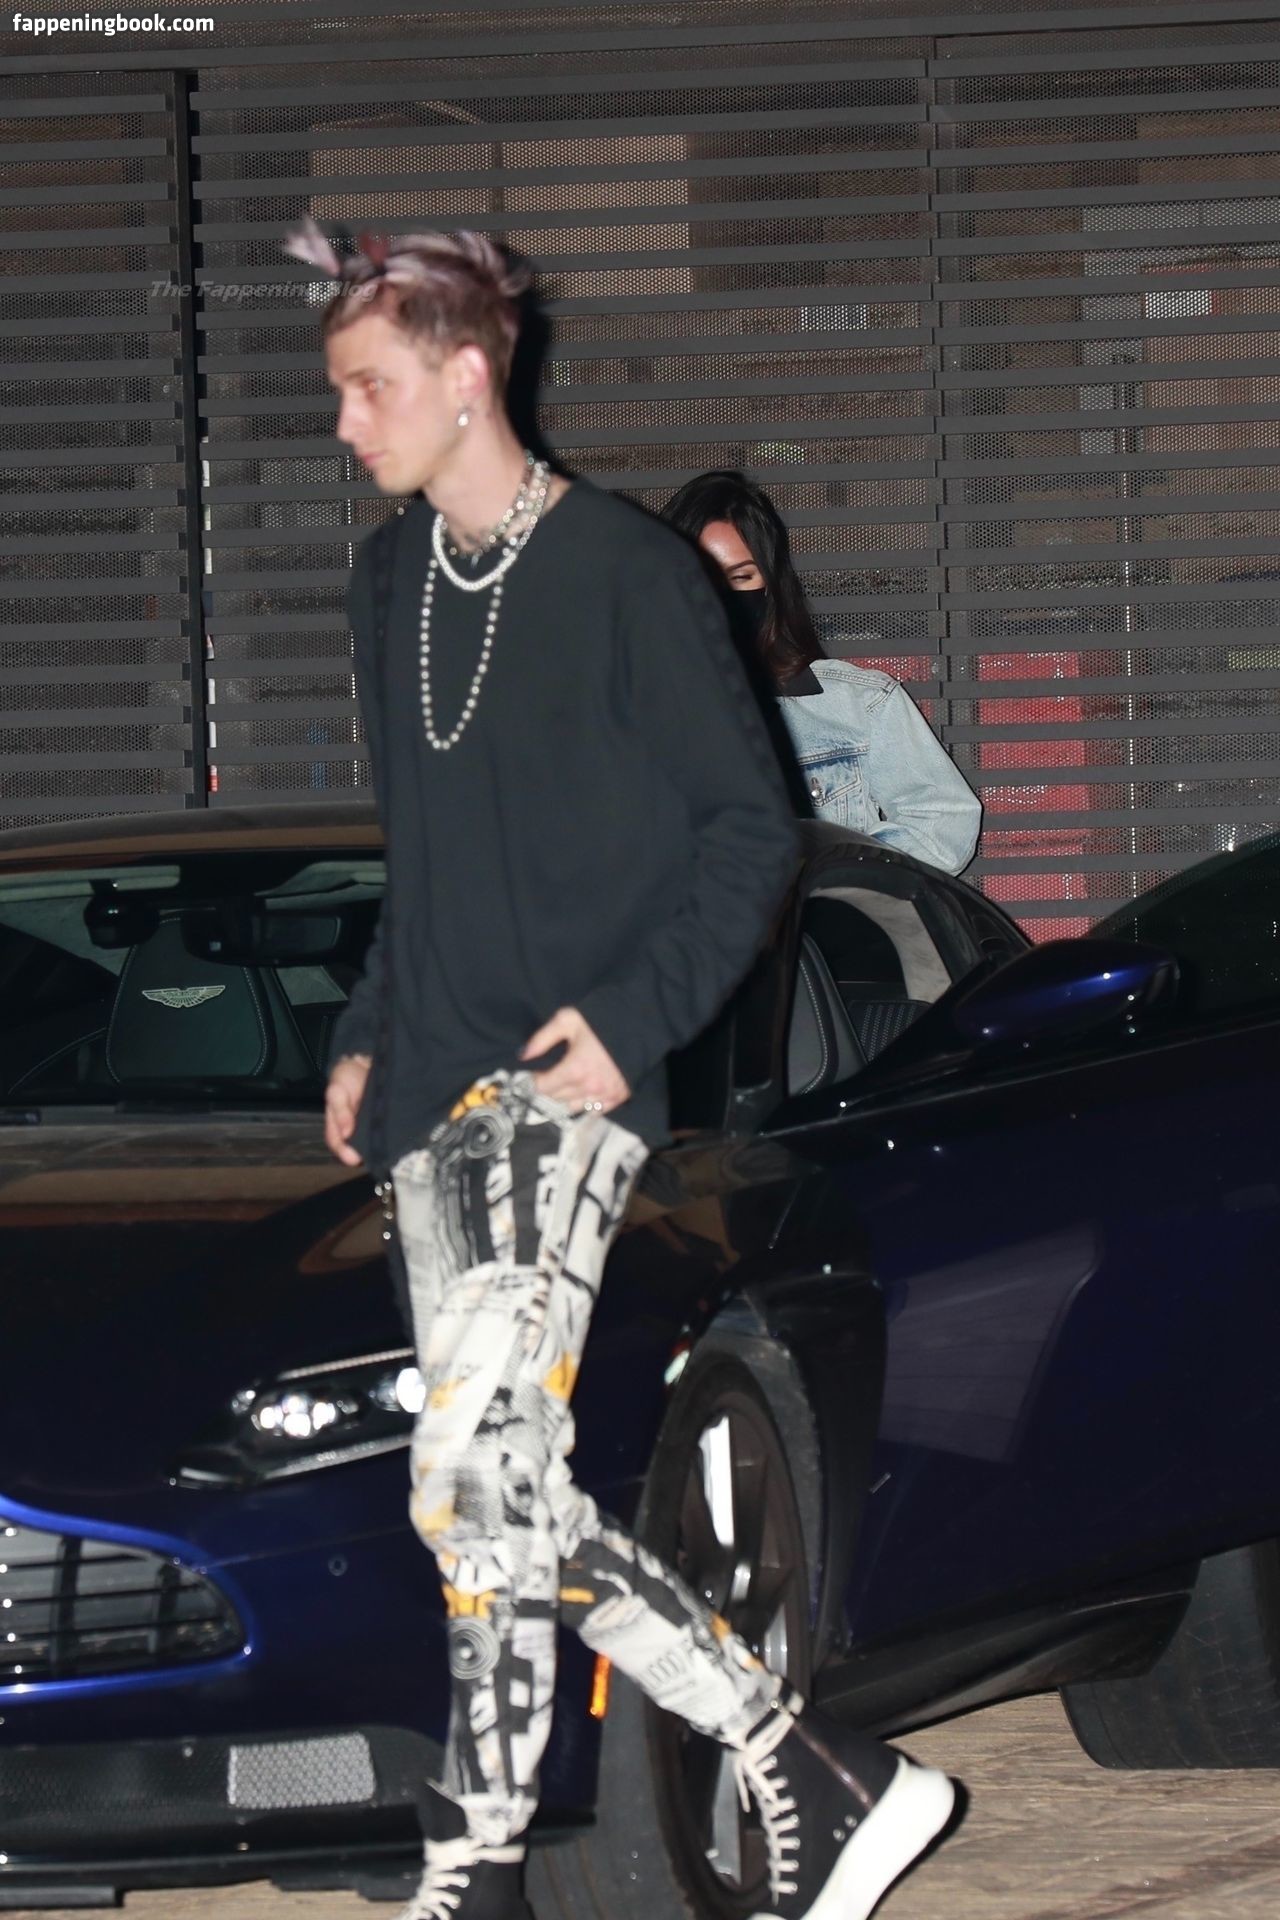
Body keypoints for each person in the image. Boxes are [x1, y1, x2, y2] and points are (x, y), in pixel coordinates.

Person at [285, 217, 956, 1920]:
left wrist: (633, 1016)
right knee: (487, 1505)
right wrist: (366, 1031)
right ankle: (577, 1836)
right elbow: (424, 859)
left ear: (466, 373)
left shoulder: (628, 575)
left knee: (466, 1478)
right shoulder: (387, 584)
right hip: (429, 1096)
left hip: (559, 1092)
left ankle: (612, 1815)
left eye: (368, 388)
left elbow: (752, 834)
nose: (345, 422)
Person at [664, 471, 981, 874]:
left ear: (770, 583)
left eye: (741, 576)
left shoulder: (859, 704)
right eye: (700, 577)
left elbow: (945, 824)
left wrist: (832, 876)